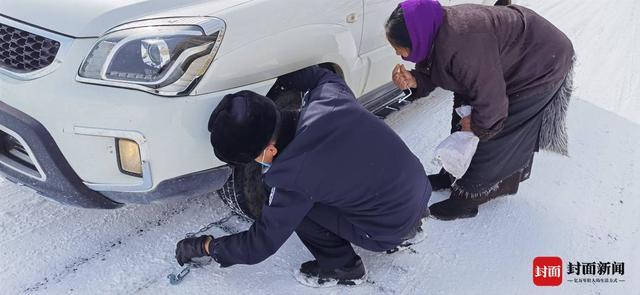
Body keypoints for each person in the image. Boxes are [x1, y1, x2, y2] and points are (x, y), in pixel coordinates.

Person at [174, 66, 432, 287]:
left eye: (254, 157)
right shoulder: (329, 94)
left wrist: (206, 246)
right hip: (419, 192)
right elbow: (317, 75)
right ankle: (407, 225)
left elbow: (259, 244)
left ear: (270, 150)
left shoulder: (291, 177)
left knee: (300, 210)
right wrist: (277, 77)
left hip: (388, 229)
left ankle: (343, 267)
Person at [385, 0, 574, 220]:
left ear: (416, 38)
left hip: (540, 63)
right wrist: (416, 80)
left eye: (399, 47)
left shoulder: (464, 44)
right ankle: (452, 175)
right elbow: (439, 69)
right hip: (503, 60)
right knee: (464, 113)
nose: (398, 53)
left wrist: (477, 125)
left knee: (494, 132)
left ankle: (467, 201)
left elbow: (492, 103)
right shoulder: (436, 30)